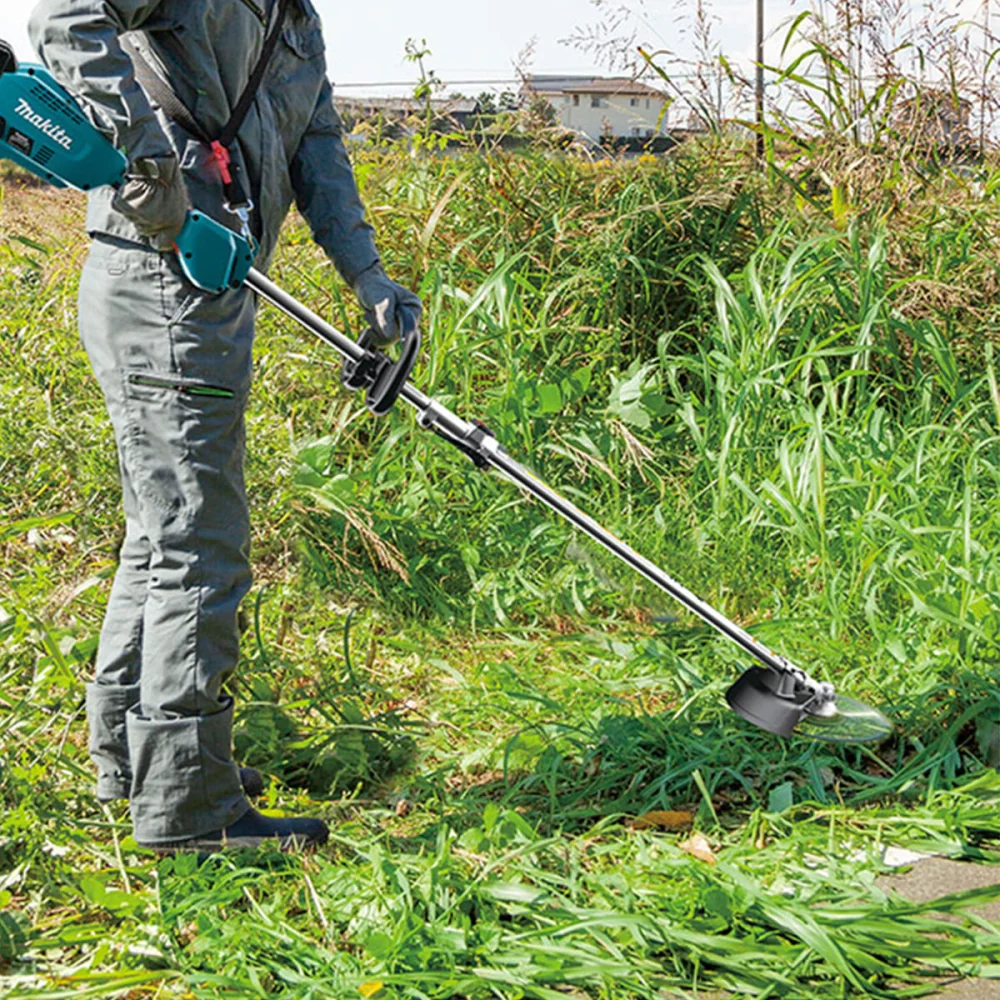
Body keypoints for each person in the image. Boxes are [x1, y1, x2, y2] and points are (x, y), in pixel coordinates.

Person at [27, 0, 422, 854]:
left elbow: (317, 145)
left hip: (212, 285)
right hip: (162, 275)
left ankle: (138, 762)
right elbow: (63, 16)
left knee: (162, 531)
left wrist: (367, 273)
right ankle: (188, 810)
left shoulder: (292, 18)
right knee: (202, 541)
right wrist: (149, 164)